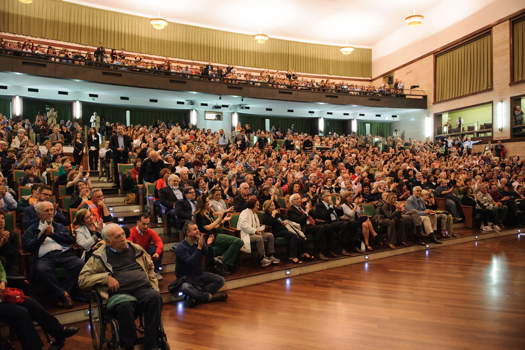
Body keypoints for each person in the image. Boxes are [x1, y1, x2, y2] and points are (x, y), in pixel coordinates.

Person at [79, 223, 163, 350]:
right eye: (118, 237)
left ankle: (151, 343)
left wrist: (153, 285)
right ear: (108, 242)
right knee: (125, 306)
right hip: (119, 294)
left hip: (142, 289)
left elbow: (150, 267)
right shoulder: (99, 256)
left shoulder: (136, 249)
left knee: (155, 297)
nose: (123, 238)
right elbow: (82, 279)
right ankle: (128, 344)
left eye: (123, 234)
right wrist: (105, 278)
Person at [0, 261, 79, 350]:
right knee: (21, 313)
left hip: (2, 295)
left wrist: (3, 281)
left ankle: (59, 331)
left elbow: (1, 270)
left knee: (31, 303)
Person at [23, 201, 84, 308]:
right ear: (38, 214)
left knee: (79, 263)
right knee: (41, 269)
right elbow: (28, 247)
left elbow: (70, 240)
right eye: (47, 210)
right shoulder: (31, 229)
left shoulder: (59, 226)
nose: (50, 213)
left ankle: (64, 293)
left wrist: (53, 234)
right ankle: (63, 294)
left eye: (52, 210)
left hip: (62, 254)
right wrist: (42, 236)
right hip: (44, 257)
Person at [174, 221, 228, 307]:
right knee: (185, 288)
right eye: (195, 229)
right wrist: (199, 248)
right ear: (188, 233)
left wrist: (208, 245)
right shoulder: (180, 247)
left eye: (197, 228)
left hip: (198, 275)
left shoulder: (198, 242)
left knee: (221, 280)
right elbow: (190, 263)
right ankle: (209, 297)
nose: (198, 231)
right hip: (186, 278)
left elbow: (207, 254)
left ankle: (197, 297)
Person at [195, 197, 243, 274]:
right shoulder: (198, 215)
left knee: (234, 244)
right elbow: (208, 227)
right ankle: (222, 262)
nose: (209, 203)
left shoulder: (208, 212)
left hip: (215, 234)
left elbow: (216, 226)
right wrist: (219, 218)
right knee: (238, 241)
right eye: (207, 201)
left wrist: (223, 220)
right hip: (207, 238)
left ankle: (222, 263)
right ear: (203, 204)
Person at [261, 200, 311, 264]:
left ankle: (302, 253)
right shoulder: (265, 215)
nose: (274, 207)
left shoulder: (277, 214)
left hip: (283, 230)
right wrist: (273, 215)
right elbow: (269, 223)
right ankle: (292, 256)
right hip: (275, 232)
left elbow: (284, 218)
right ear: (267, 207)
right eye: (272, 205)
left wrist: (284, 221)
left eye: (273, 205)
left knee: (298, 234)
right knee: (293, 235)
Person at [237, 197, 279, 267]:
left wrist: (261, 229)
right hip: (246, 235)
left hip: (254, 234)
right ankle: (262, 259)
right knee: (259, 238)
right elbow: (243, 225)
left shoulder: (254, 213)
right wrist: (255, 231)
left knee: (270, 235)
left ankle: (270, 255)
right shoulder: (244, 213)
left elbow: (256, 226)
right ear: (252, 205)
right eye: (257, 205)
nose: (258, 207)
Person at [128, 215, 164, 280]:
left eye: (147, 224)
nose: (146, 226)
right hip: (136, 253)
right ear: (138, 222)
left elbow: (159, 242)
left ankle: (156, 271)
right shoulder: (131, 232)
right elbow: (130, 246)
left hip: (146, 251)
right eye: (144, 224)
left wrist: (157, 253)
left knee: (157, 249)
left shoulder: (150, 231)